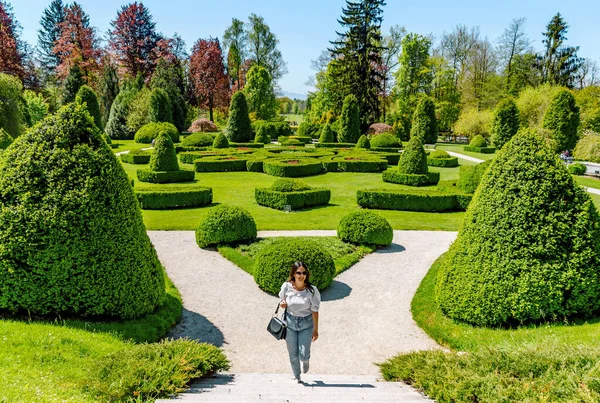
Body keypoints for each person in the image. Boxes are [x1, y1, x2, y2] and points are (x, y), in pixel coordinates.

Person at [279, 261, 321, 383]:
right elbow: (282, 300)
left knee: (303, 354)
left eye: (304, 273)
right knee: (293, 354)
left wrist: (316, 330)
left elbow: (315, 311)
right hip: (290, 323)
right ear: (293, 274)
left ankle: (306, 360)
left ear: (307, 275)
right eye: (298, 272)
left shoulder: (312, 290)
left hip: (306, 324)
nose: (301, 275)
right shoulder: (286, 287)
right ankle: (297, 376)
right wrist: (282, 304)